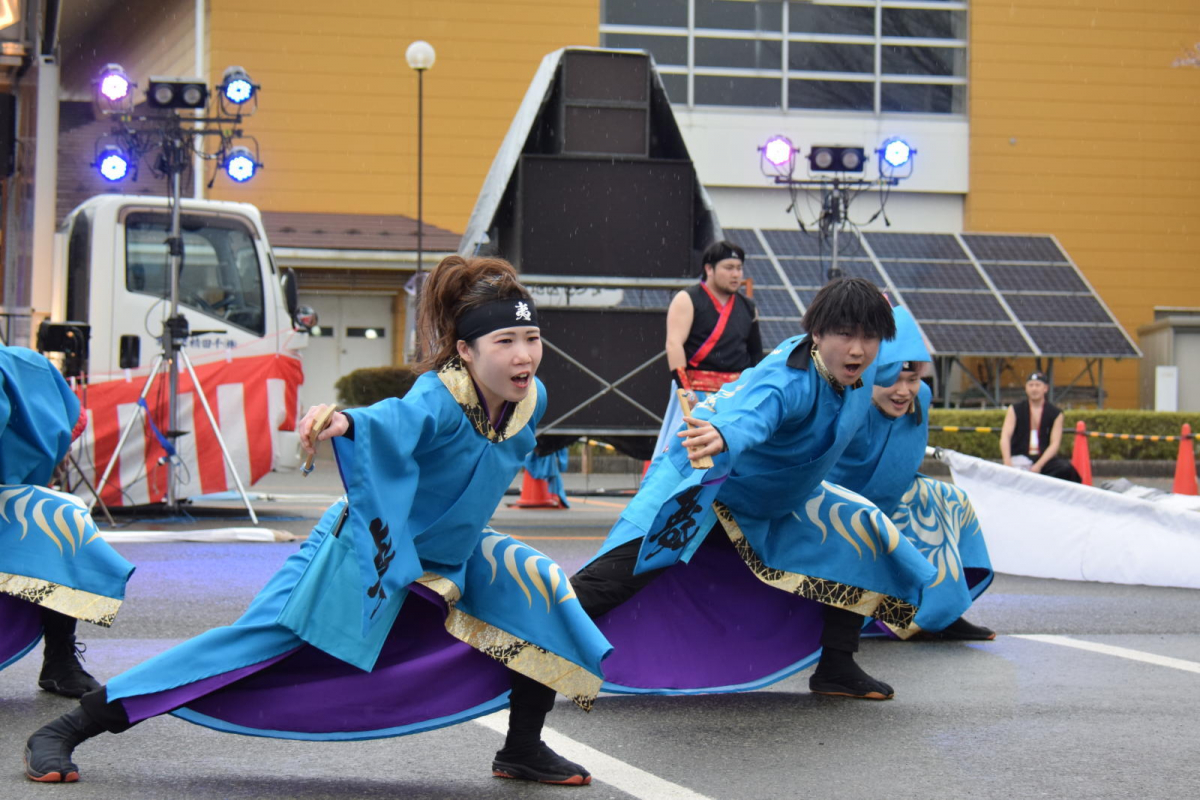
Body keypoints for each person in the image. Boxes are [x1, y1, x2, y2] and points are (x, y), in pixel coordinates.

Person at [23, 256, 610, 787]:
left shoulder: (532, 399)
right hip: (366, 546)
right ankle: (71, 726)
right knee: (247, 648)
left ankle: (522, 745)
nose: (523, 355)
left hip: (452, 556)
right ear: (466, 351)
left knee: (535, 583)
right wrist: (346, 423)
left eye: (531, 339)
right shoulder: (439, 397)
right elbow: (394, 420)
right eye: (505, 341)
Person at [508, 278, 939, 733]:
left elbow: (897, 358)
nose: (857, 349)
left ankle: (837, 664)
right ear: (817, 334)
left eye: (870, 337)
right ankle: (522, 641)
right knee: (613, 579)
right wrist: (723, 433)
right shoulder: (789, 377)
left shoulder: (865, 370)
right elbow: (751, 411)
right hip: (706, 477)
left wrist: (883, 311)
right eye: (845, 335)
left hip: (777, 497)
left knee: (858, 529)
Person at [827, 307, 995, 641]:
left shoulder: (922, 399)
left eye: (912, 379)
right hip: (835, 503)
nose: (903, 391)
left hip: (889, 497)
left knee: (944, 498)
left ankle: (939, 613)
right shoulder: (844, 399)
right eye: (891, 379)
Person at [0, 341, 133, 699]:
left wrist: (52, 449)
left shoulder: (22, 364)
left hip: (6, 500)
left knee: (63, 514)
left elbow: (63, 425)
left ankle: (60, 657)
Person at [652, 240, 763, 458]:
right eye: (729, 268)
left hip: (734, 396)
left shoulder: (748, 307)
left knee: (734, 456)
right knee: (686, 456)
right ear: (709, 269)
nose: (736, 274)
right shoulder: (687, 299)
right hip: (695, 393)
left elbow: (755, 355)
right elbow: (674, 344)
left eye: (739, 268)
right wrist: (685, 390)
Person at [999, 372, 1081, 482]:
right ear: (1026, 388)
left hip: (1043, 459)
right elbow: (1005, 436)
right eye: (1031, 385)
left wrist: (1039, 465)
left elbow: (1054, 444)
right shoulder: (1015, 409)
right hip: (1020, 456)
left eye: (1037, 385)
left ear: (1045, 388)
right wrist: (1007, 462)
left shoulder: (1055, 413)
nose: (1034, 389)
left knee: (1066, 470)